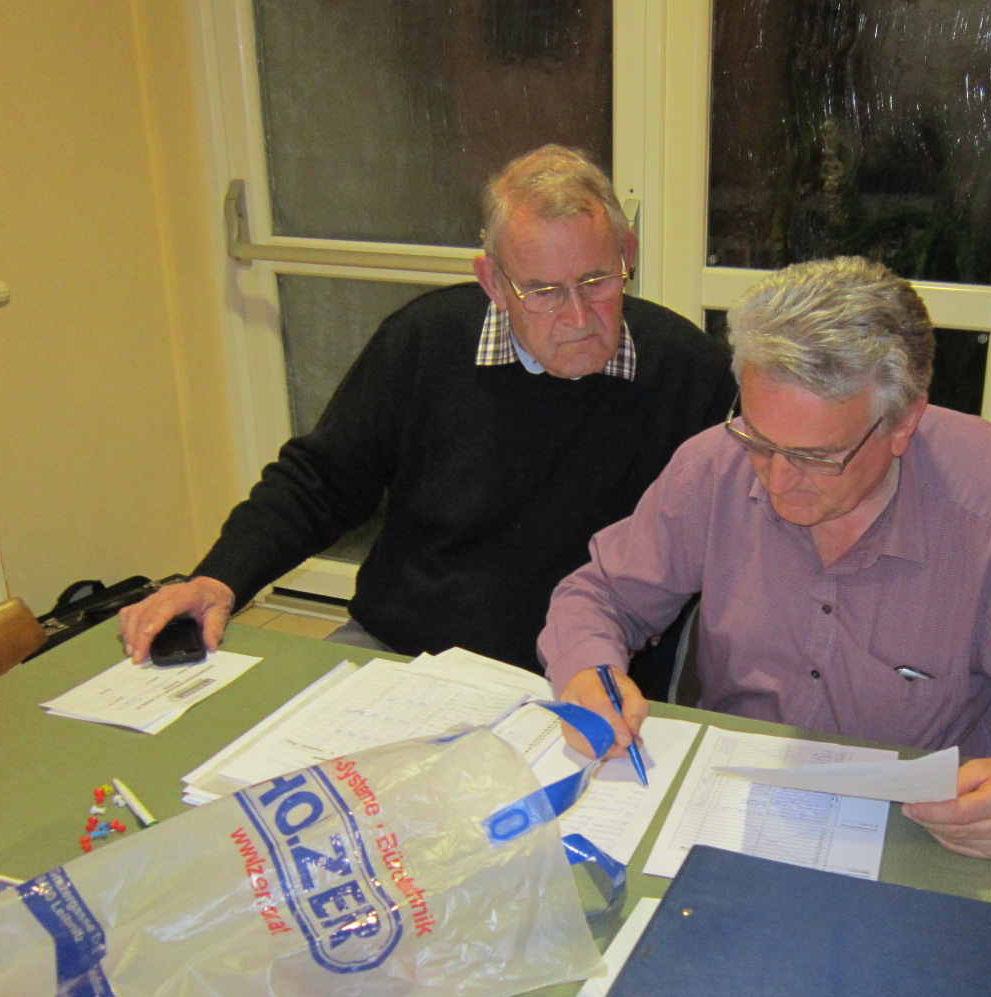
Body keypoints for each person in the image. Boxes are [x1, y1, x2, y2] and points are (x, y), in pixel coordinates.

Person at [540, 256, 991, 859]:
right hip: (734, 798)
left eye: (816, 457)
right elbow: (600, 595)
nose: (777, 481)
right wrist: (588, 672)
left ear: (903, 421)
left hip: (924, 828)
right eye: (759, 440)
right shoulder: (714, 467)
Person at [119, 145, 734, 675]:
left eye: (597, 280)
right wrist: (219, 578)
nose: (577, 316)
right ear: (493, 283)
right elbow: (322, 481)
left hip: (592, 674)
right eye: (544, 291)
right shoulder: (427, 341)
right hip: (404, 653)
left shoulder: (693, 374)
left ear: (627, 253)